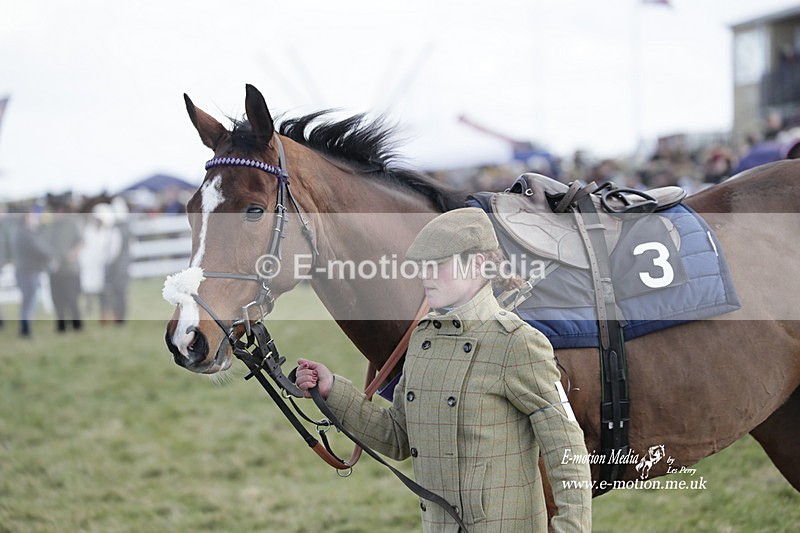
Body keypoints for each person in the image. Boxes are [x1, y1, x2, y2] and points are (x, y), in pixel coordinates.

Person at [295, 208, 592, 532]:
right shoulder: (423, 339)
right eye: (422, 266)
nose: (426, 276)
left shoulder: (517, 342)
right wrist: (333, 391)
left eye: (437, 264)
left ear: (478, 264)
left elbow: (566, 447)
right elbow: (397, 436)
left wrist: (571, 527)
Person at [12, 207, 55, 337]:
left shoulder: (20, 232)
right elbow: (39, 248)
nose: (35, 219)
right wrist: (52, 255)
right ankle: (25, 329)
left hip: (25, 270)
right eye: (32, 216)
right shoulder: (25, 233)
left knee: (28, 299)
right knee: (29, 300)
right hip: (28, 271)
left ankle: (25, 327)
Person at [44, 200, 84, 332]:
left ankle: (77, 325)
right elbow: (43, 245)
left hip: (70, 270)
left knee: (72, 299)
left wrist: (73, 254)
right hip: (55, 270)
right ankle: (61, 326)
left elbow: (81, 242)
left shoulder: (71, 223)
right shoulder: (49, 226)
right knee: (57, 300)